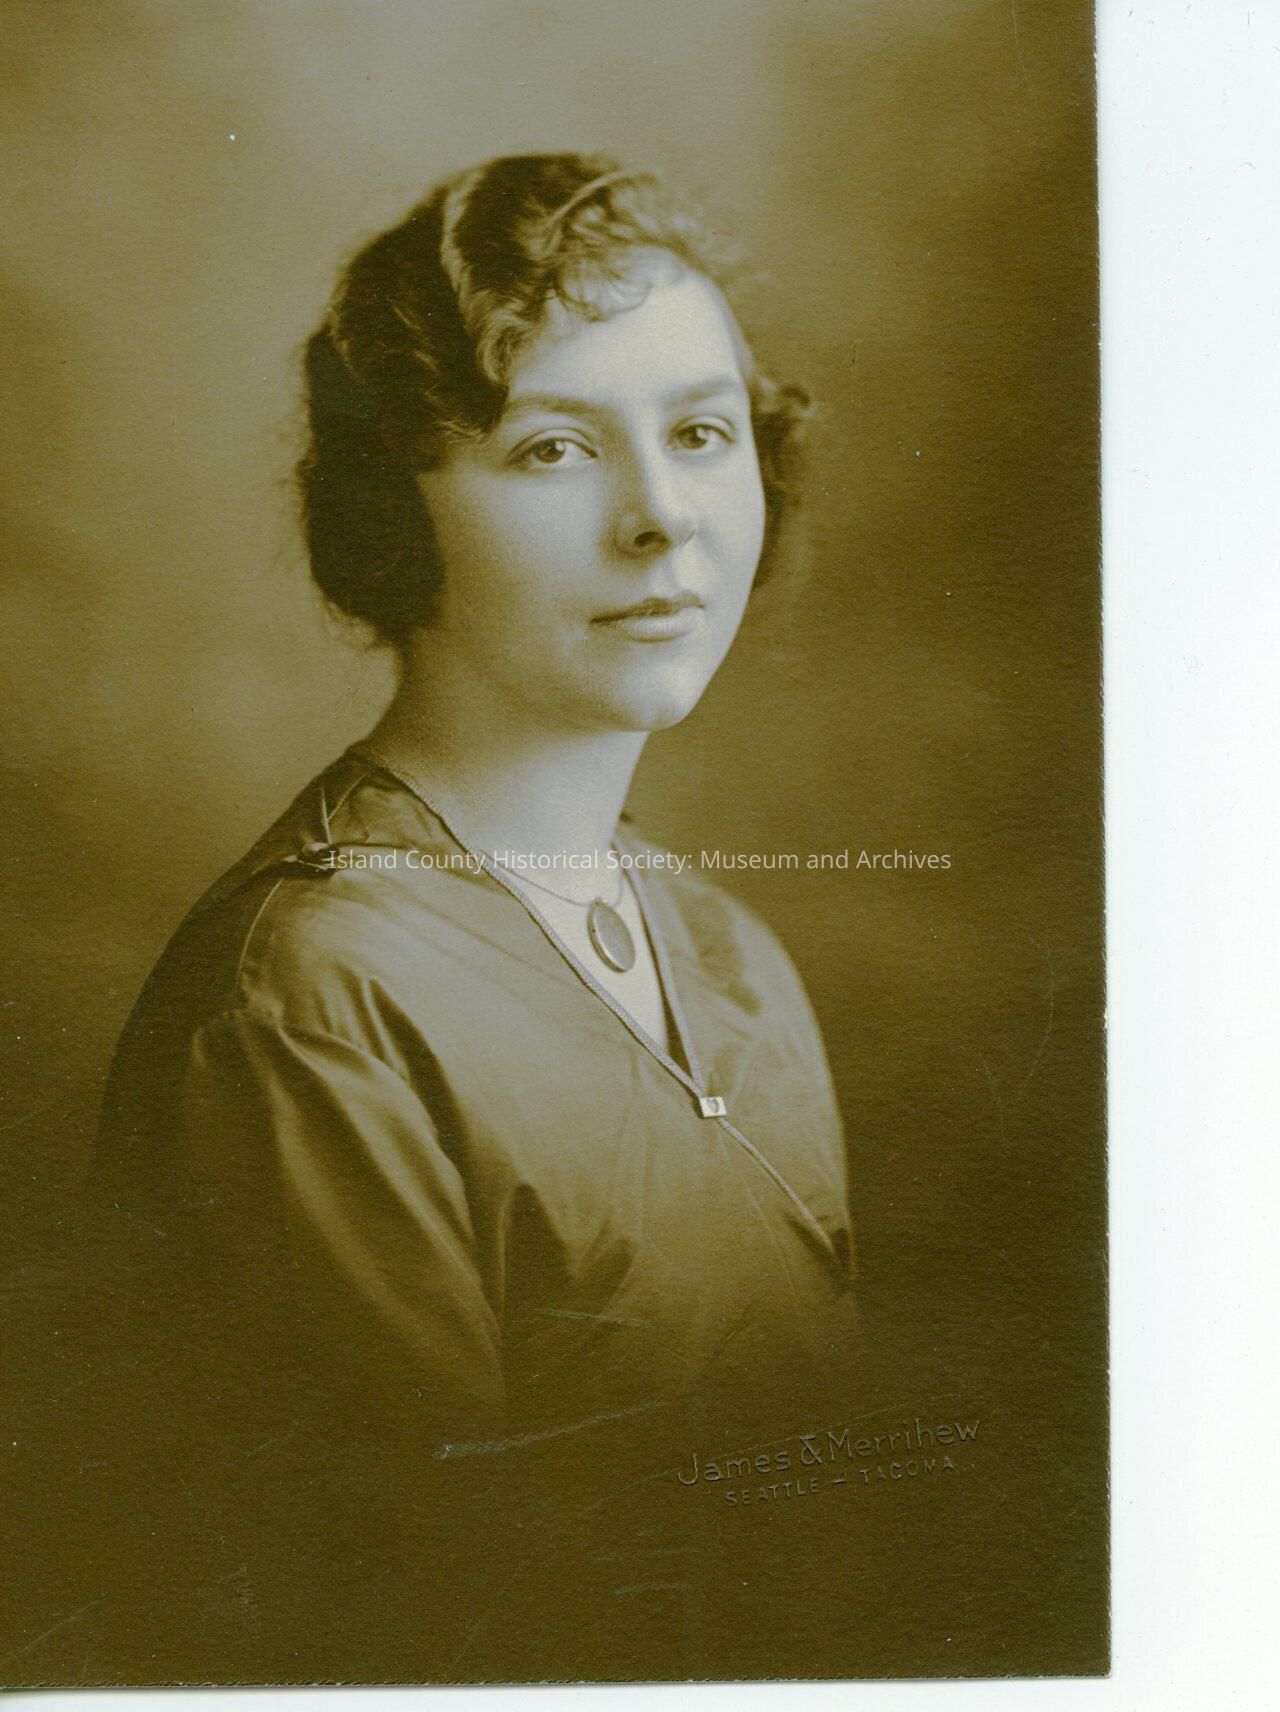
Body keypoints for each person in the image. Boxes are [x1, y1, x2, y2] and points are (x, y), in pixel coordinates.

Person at [89, 152, 864, 1683]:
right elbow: (419, 1634)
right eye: (555, 449)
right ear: (397, 506)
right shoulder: (310, 1001)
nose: (663, 519)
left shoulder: (735, 959)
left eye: (702, 434)